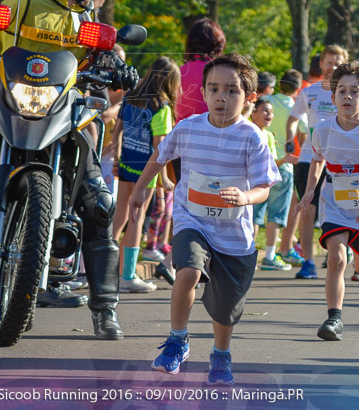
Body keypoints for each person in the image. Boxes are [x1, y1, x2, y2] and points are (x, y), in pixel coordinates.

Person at [0, 0, 136, 338]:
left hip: (62, 117)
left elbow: (103, 58)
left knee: (99, 204)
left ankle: (104, 308)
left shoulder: (88, 23)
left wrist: (116, 67)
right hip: (8, 106)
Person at [129, 54, 280, 385]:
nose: (221, 97)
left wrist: (245, 197)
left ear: (249, 97)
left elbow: (264, 188)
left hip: (234, 233)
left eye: (231, 90)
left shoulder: (252, 137)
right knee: (188, 271)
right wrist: (140, 190)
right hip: (192, 220)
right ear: (204, 92)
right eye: (213, 89)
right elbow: (160, 155)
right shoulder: (188, 127)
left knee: (225, 308)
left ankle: (221, 354)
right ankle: (177, 340)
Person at [305, 61, 359, 340]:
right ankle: (334, 319)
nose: (346, 97)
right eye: (341, 91)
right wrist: (309, 192)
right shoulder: (323, 129)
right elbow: (317, 161)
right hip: (335, 206)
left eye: (354, 92)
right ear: (332, 98)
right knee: (337, 257)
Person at [112, 55, 181, 292]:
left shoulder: (131, 96)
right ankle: (127, 276)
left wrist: (116, 159)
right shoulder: (161, 107)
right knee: (136, 220)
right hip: (146, 172)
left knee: (119, 217)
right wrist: (163, 178)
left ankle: (97, 269)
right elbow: (160, 148)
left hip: (126, 164)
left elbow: (116, 133)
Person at [288, 45, 347, 279]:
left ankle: (343, 250)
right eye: (329, 62)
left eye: (337, 62)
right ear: (321, 64)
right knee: (307, 209)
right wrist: (289, 139)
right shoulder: (309, 92)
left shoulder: (348, 92)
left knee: (340, 207)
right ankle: (308, 261)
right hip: (308, 159)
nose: (333, 66)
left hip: (340, 161)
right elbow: (293, 118)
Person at [249, 98, 298, 270]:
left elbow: (269, 162)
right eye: (265, 111)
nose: (270, 115)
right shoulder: (249, 131)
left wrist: (282, 160)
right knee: (255, 216)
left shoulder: (268, 135)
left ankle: (268, 254)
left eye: (271, 112)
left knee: (272, 216)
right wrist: (284, 160)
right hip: (255, 184)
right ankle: (250, 254)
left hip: (267, 181)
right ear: (253, 113)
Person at [265, 69, 306, 265]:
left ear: (280, 85)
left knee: (257, 211)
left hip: (261, 161)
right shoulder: (296, 107)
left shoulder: (268, 102)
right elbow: (305, 132)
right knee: (282, 210)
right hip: (285, 163)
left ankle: (269, 251)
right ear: (298, 90)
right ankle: (282, 249)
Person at [175, 18, 226, 123]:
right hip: (211, 133)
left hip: (181, 133)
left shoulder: (178, 72)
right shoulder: (221, 72)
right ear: (218, 44)